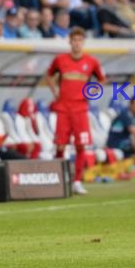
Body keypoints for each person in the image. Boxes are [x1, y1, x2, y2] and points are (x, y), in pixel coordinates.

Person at [45, 27, 106, 195]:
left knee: (81, 146)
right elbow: (49, 75)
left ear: (83, 42)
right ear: (70, 42)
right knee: (60, 145)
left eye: (80, 40)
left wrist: (92, 92)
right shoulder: (60, 60)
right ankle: (57, 180)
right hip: (63, 108)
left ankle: (77, 181)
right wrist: (55, 91)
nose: (77, 44)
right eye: (74, 40)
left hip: (80, 108)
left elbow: (102, 79)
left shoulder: (91, 62)